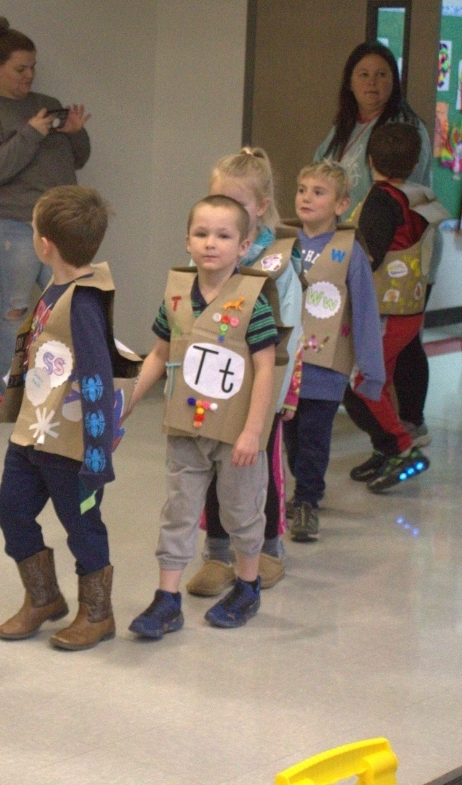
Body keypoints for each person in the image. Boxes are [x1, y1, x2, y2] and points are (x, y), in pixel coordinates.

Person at [127, 195, 281, 639]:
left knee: (240, 510)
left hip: (236, 435)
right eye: (201, 234)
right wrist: (130, 401)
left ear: (244, 244)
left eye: (223, 235)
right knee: (179, 510)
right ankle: (167, 599)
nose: (211, 243)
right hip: (185, 426)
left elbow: (265, 367)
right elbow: (159, 353)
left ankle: (248, 586)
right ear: (187, 242)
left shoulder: (253, 301)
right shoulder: (176, 296)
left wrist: (254, 431)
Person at [0, 185, 140, 652]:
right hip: (33, 433)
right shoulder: (55, 290)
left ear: (44, 245)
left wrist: (97, 456)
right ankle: (44, 598)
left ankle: (98, 613)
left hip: (71, 445)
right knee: (11, 510)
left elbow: (98, 377)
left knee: (82, 525)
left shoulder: (84, 300)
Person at [187, 149, 301, 597]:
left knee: (258, 470)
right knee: (214, 469)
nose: (223, 211)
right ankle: (218, 553)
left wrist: (285, 392)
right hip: (213, 384)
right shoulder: (211, 250)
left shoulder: (278, 261)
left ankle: (267, 549)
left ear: (260, 205)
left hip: (261, 389)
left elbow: (293, 329)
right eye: (216, 198)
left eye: (234, 201)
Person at [0, 17, 91, 408]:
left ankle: (71, 382)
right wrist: (32, 133)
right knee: (14, 310)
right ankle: (3, 391)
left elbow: (79, 159)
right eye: (20, 68)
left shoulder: (46, 104)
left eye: (32, 66)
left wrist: (76, 132)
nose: (29, 75)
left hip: (60, 225)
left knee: (73, 303)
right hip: (11, 224)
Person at [343, 123, 449, 492]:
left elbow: (367, 256)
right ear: (416, 160)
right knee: (380, 379)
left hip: (386, 309)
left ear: (369, 159)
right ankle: (385, 449)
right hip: (412, 306)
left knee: (360, 381)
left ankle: (401, 449)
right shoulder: (418, 196)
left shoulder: (380, 200)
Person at [285, 161, 385, 541]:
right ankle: (302, 489)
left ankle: (308, 501)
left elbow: (365, 312)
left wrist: (370, 371)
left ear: (341, 204)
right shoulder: (283, 243)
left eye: (318, 192)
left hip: (326, 368)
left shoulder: (350, 252)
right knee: (292, 439)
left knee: (314, 437)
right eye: (301, 189)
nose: (306, 197)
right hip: (286, 366)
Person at [314, 41, 432, 223]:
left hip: (384, 238)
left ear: (394, 81)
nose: (372, 82)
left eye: (381, 75)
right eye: (363, 74)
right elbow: (316, 170)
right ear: (350, 83)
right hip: (336, 237)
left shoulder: (406, 128)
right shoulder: (343, 127)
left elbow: (402, 194)